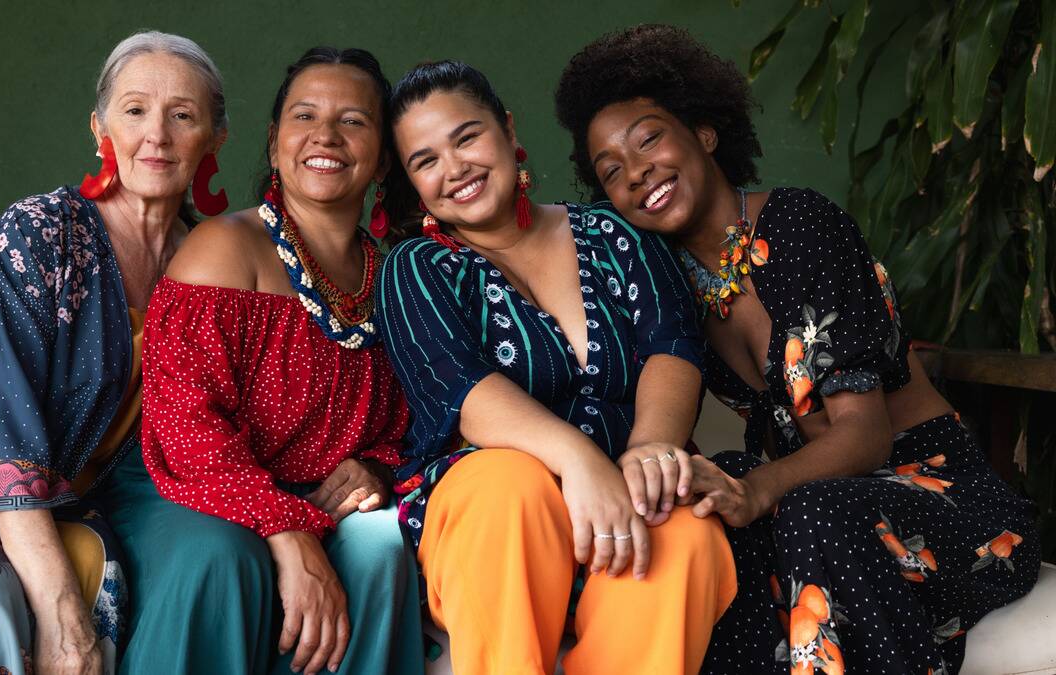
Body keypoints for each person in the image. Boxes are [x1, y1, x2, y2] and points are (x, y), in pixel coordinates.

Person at [554, 23, 1041, 674]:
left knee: (804, 504)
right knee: (708, 510)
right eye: (612, 171)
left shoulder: (800, 226)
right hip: (822, 514)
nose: (637, 171)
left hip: (946, 506)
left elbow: (864, 437)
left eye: (649, 139)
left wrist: (756, 489)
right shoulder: (670, 293)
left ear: (703, 132)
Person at [0, 30, 229, 674]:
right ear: (100, 127)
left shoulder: (208, 264)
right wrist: (61, 617)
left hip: (58, 501)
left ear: (215, 138)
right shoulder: (40, 232)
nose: (157, 135)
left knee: (103, 585)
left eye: (183, 115)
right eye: (135, 110)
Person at [377, 60, 737, 675]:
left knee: (687, 531)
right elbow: (463, 390)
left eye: (467, 137)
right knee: (506, 488)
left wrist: (649, 449)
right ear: (413, 183)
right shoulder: (417, 268)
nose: (455, 168)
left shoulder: (614, 232)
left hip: (628, 489)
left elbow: (672, 346)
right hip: (496, 512)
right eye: (425, 160)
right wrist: (579, 461)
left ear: (506, 128)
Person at [131, 47, 424, 675]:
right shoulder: (225, 248)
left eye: (354, 120)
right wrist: (284, 528)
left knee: (382, 545)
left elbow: (417, 421)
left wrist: (374, 469)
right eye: (305, 116)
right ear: (273, 142)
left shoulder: (395, 276)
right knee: (225, 558)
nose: (326, 135)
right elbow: (185, 425)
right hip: (199, 485)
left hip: (321, 497)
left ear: (382, 155)